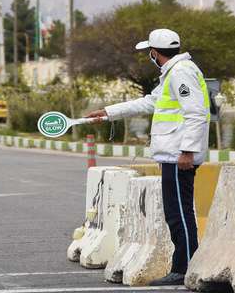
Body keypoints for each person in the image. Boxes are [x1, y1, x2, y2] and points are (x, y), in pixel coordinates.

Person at [86, 28, 209, 286]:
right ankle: (183, 266)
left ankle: (184, 268)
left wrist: (187, 151)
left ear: (154, 53)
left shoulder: (181, 72)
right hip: (173, 155)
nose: (149, 56)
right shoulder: (173, 74)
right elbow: (147, 103)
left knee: (179, 213)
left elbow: (195, 112)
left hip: (179, 156)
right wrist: (108, 113)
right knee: (176, 212)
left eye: (149, 53)